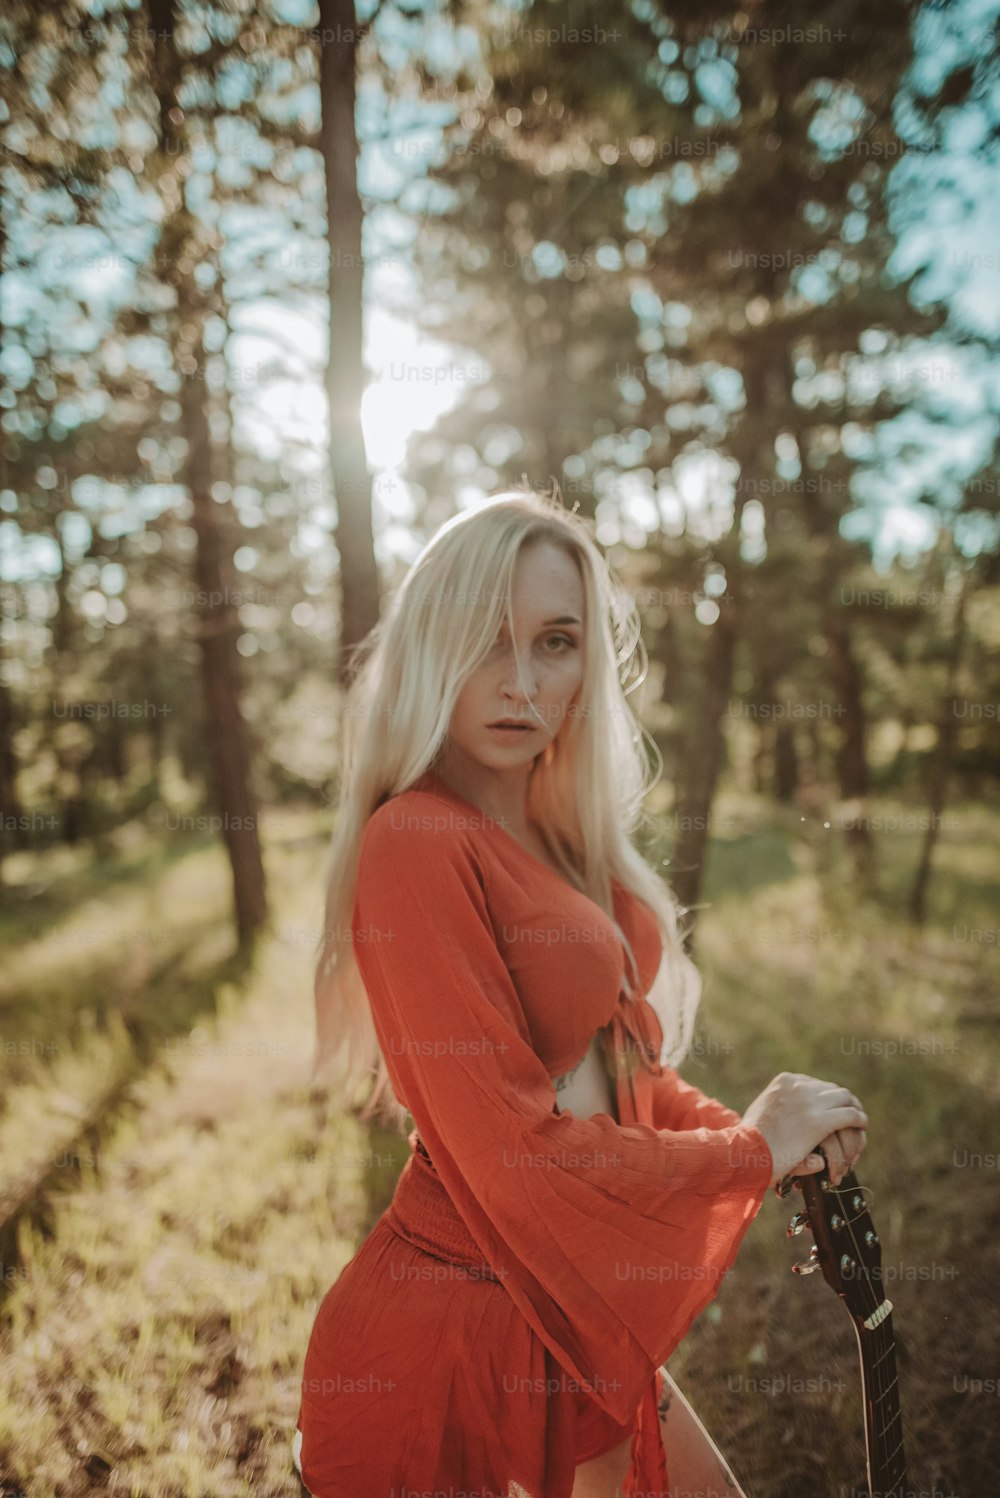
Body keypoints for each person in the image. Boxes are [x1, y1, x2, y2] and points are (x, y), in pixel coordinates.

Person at [293, 489, 869, 1498]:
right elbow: (516, 1161)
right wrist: (744, 1151)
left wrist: (762, 1134)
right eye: (486, 640)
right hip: (450, 1340)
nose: (521, 681)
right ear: (432, 647)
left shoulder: (560, 842)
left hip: (562, 1313)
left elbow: (620, 1074)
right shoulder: (414, 842)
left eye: (555, 642)